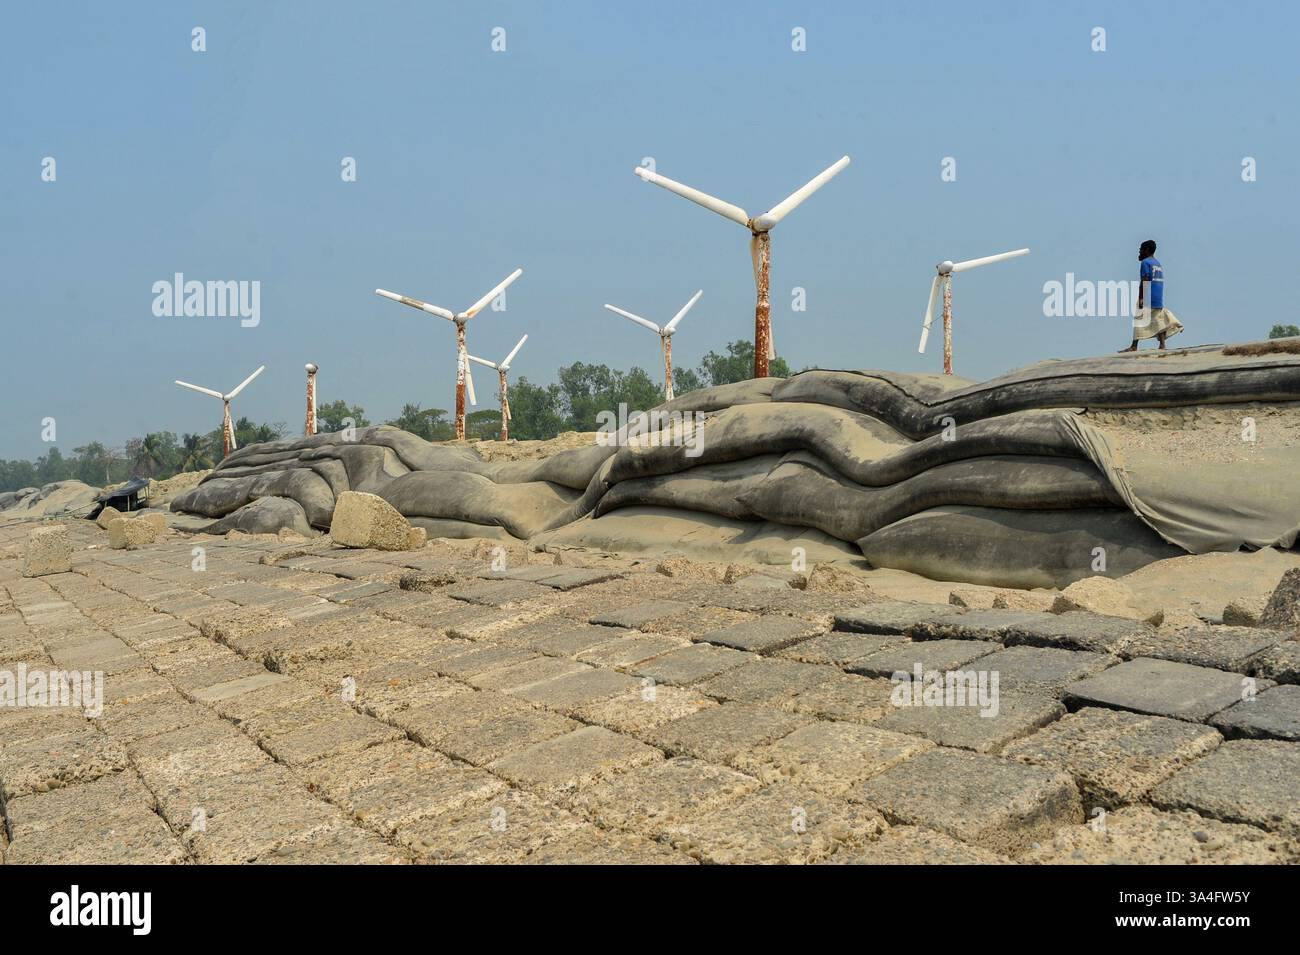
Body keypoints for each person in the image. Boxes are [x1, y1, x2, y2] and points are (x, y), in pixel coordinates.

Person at [1120, 239, 1183, 351]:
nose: (1139, 252)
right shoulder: (1157, 264)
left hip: (1149, 296)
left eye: (1141, 250)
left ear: (1147, 250)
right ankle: (1162, 344)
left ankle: (1134, 346)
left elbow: (1145, 281)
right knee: (1158, 319)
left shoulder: (1145, 263)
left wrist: (1141, 298)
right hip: (1158, 297)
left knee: (1139, 317)